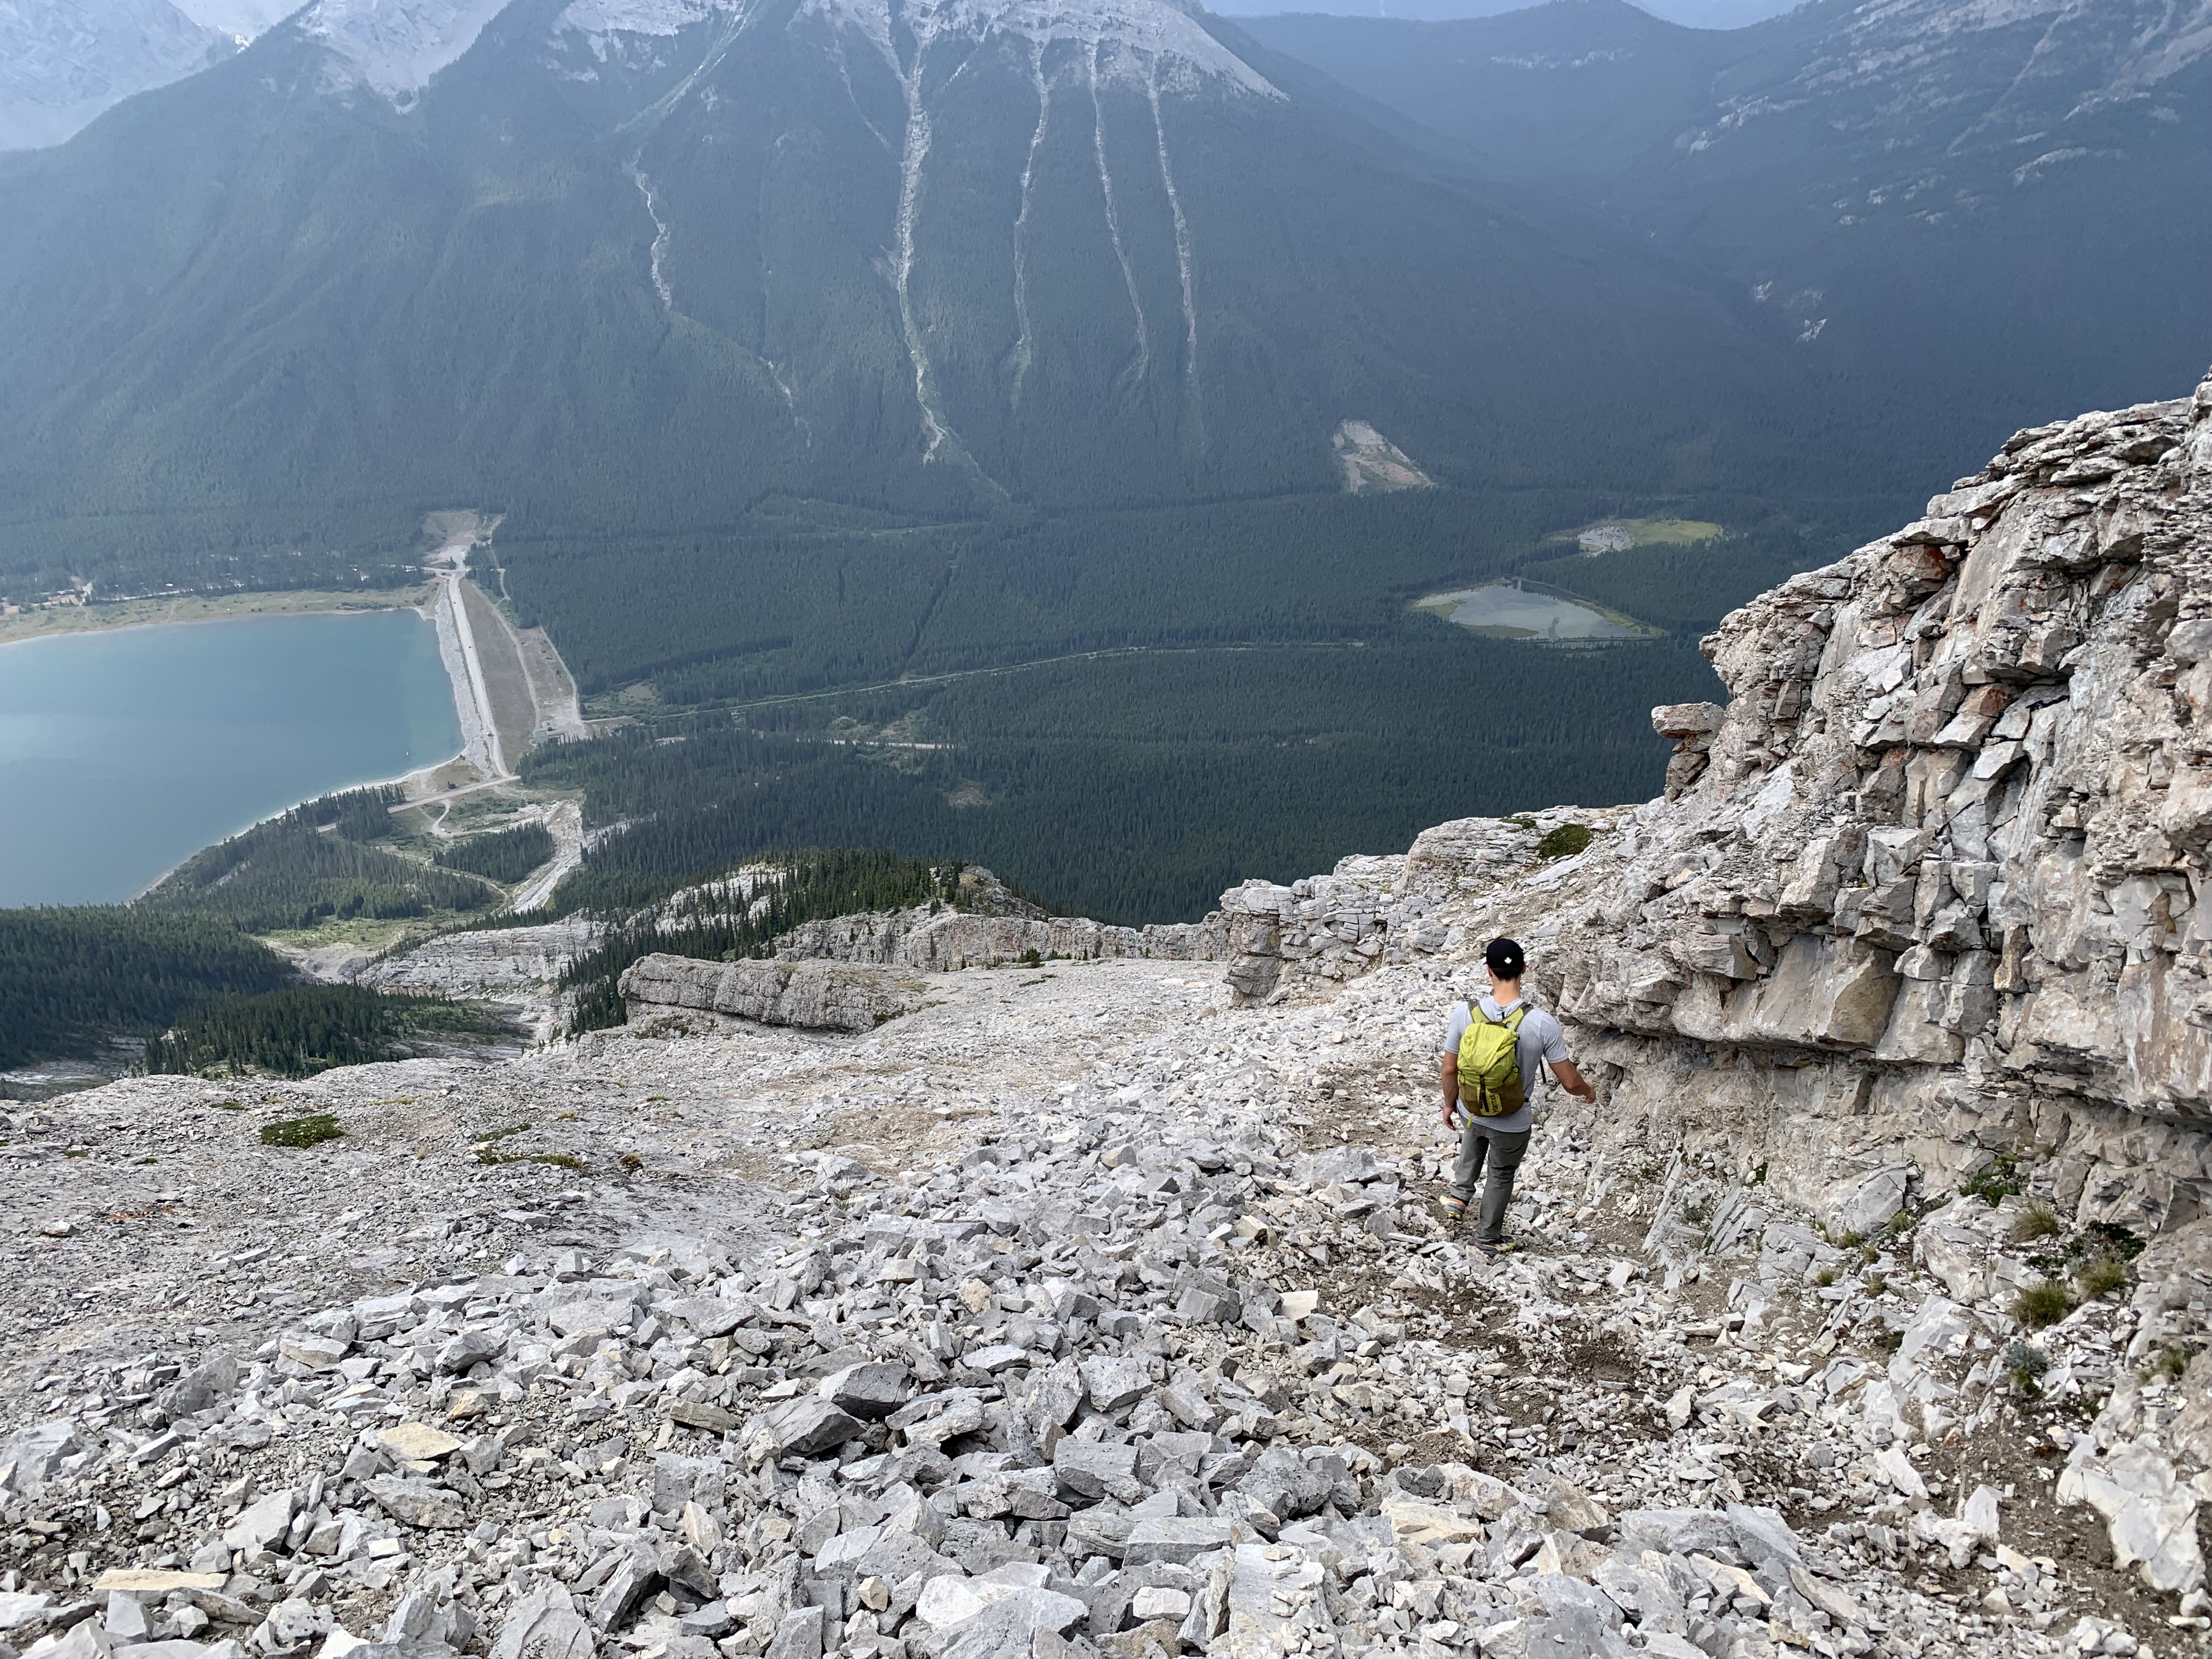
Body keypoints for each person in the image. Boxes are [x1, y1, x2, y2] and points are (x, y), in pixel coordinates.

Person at [1437, 935, 1595, 1250]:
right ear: (1524, 969)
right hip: (1512, 1118)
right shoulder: (1540, 1022)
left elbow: (1449, 1070)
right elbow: (1568, 1081)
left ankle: (1459, 1196)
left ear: (1488, 971)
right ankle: (1487, 1238)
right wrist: (1588, 1091)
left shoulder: (1464, 1013)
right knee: (1501, 1173)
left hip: (1472, 1108)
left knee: (1475, 1130)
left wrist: (1449, 1104)